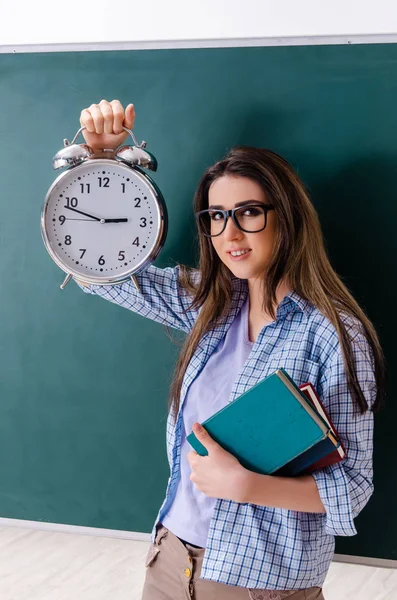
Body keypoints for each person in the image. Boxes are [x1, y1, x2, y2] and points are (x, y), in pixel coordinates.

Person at [76, 99, 385, 600]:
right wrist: (103, 165)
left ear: (286, 217)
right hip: (172, 558)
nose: (230, 233)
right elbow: (98, 271)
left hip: (257, 583)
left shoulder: (332, 335)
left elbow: (353, 487)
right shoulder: (210, 306)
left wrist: (245, 486)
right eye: (216, 216)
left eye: (248, 213)